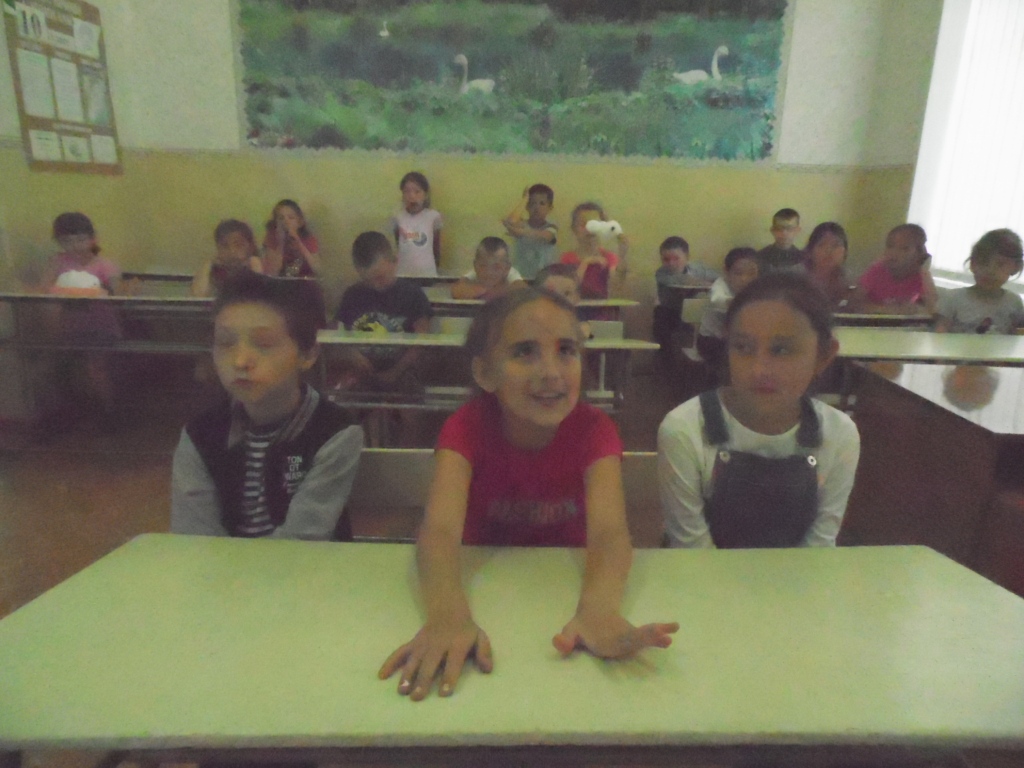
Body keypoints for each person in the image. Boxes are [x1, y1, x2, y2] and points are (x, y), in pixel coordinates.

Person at [378, 287, 678, 701]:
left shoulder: (595, 431)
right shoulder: (465, 428)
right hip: (488, 589)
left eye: (566, 350)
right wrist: (447, 615)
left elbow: (609, 534)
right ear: (485, 373)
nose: (551, 371)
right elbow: (439, 532)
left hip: (560, 591)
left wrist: (600, 610)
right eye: (524, 352)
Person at [659, 273, 861, 549]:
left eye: (781, 350)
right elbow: (693, 551)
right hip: (703, 574)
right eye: (743, 348)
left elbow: (819, 547)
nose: (759, 369)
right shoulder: (685, 429)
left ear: (823, 357)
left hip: (799, 575)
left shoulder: (839, 434)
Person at [171, 271, 363, 539]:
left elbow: (303, 539)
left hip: (304, 564)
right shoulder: (199, 436)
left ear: (308, 354)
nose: (240, 361)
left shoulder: (334, 432)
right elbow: (195, 539)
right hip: (219, 566)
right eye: (225, 343)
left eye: (263, 344)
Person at [333, 231, 433, 445]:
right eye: (369, 280)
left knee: (412, 413)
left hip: (404, 368)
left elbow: (422, 341)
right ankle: (354, 452)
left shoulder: (412, 295)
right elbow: (339, 336)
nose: (377, 284)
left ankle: (407, 457)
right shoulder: (353, 295)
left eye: (381, 277)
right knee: (341, 408)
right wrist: (353, 355)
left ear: (394, 262)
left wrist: (395, 371)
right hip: (364, 369)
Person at [40, 212, 124, 424]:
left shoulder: (104, 265)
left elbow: (119, 295)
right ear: (59, 242)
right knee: (57, 369)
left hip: (100, 327)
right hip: (67, 328)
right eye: (67, 241)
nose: (75, 246)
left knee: (96, 370)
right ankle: (67, 415)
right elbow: (44, 291)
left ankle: (109, 413)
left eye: (80, 239)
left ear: (92, 239)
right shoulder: (57, 263)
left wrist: (105, 291)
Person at [934, 228, 1024, 334]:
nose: (990, 270)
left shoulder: (1014, 303)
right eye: (983, 262)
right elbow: (939, 336)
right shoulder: (952, 299)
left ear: (1015, 268)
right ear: (972, 263)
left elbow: (1017, 339)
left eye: (1000, 264)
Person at [695, 247, 759, 382]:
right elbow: (717, 300)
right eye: (738, 273)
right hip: (712, 340)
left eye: (751, 273)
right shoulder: (720, 286)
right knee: (730, 361)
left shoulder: (758, 288)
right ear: (726, 271)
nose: (745, 279)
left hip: (739, 340)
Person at [850, 224, 937, 315]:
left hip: (902, 323)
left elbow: (932, 309)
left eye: (904, 249)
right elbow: (853, 304)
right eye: (890, 246)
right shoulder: (877, 271)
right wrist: (886, 310)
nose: (894, 253)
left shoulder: (921, 276)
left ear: (919, 253)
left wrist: (924, 269)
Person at [653, 236, 718, 356]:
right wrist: (702, 283)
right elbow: (681, 280)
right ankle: (666, 361)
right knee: (660, 316)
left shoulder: (699, 269)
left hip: (697, 312)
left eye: (676, 259)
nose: (671, 263)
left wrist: (708, 285)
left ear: (687, 257)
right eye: (666, 259)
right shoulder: (661, 273)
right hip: (671, 312)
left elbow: (720, 281)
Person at [559, 201, 629, 302]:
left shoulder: (609, 257)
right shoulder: (568, 258)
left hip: (603, 309)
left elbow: (616, 286)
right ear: (574, 229)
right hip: (576, 309)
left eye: (595, 225)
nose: (590, 230)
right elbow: (566, 289)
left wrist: (622, 255)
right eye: (583, 225)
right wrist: (586, 262)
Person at [191, 219, 263, 297]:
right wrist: (208, 264)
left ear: (250, 247)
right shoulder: (215, 270)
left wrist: (255, 264)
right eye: (224, 246)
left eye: (238, 245)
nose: (232, 251)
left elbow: (259, 295)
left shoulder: (256, 265)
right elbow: (197, 297)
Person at [390, 171, 443, 277]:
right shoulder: (397, 217)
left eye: (417, 192)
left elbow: (436, 248)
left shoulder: (433, 217)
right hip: (403, 274)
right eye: (407, 192)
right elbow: (398, 245)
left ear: (425, 195)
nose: (412, 196)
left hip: (427, 274)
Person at [501, 183, 558, 279]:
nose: (537, 207)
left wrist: (520, 232)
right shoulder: (522, 224)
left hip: (542, 279)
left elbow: (545, 236)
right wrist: (524, 199)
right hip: (520, 277)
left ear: (550, 208)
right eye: (532, 203)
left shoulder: (551, 227)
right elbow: (511, 221)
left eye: (542, 203)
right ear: (527, 206)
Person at [450, 236, 525, 300]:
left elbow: (523, 291)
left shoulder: (511, 274)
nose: (489, 272)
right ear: (475, 266)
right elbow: (456, 290)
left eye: (497, 267)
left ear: (507, 268)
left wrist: (480, 292)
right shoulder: (474, 273)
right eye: (483, 266)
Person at [261, 199, 321, 277]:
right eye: (281, 218)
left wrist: (298, 241)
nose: (286, 221)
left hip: (305, 281)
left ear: (300, 222)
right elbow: (272, 272)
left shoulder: (308, 238)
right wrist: (281, 242)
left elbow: (318, 269)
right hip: (280, 282)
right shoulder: (272, 238)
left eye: (291, 217)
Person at [803, 222, 853, 309]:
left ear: (845, 252)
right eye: (822, 244)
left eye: (836, 245)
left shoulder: (850, 282)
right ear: (810, 251)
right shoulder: (796, 279)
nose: (829, 251)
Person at [535, 262, 590, 339]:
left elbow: (584, 331)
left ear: (577, 297)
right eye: (550, 293)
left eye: (566, 293)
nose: (559, 298)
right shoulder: (534, 315)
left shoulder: (577, 316)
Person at [756, 208, 804, 276]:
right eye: (779, 228)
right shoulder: (759, 257)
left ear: (797, 230)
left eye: (789, 228)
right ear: (772, 230)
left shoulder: (804, 259)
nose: (784, 233)